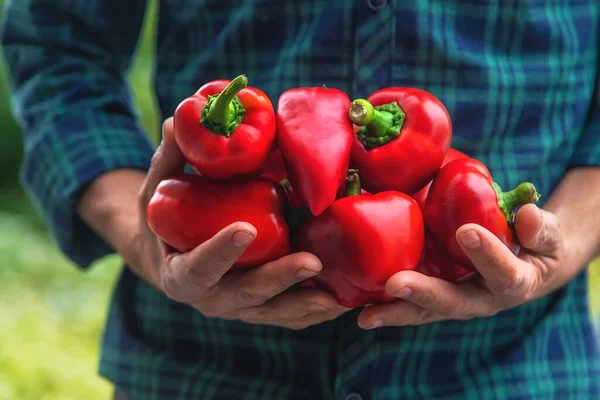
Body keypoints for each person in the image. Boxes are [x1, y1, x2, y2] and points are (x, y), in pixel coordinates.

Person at [2, 1, 599, 399]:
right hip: (198, 363)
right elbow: (57, 49)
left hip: (520, 368)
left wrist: (564, 241)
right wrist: (140, 239)